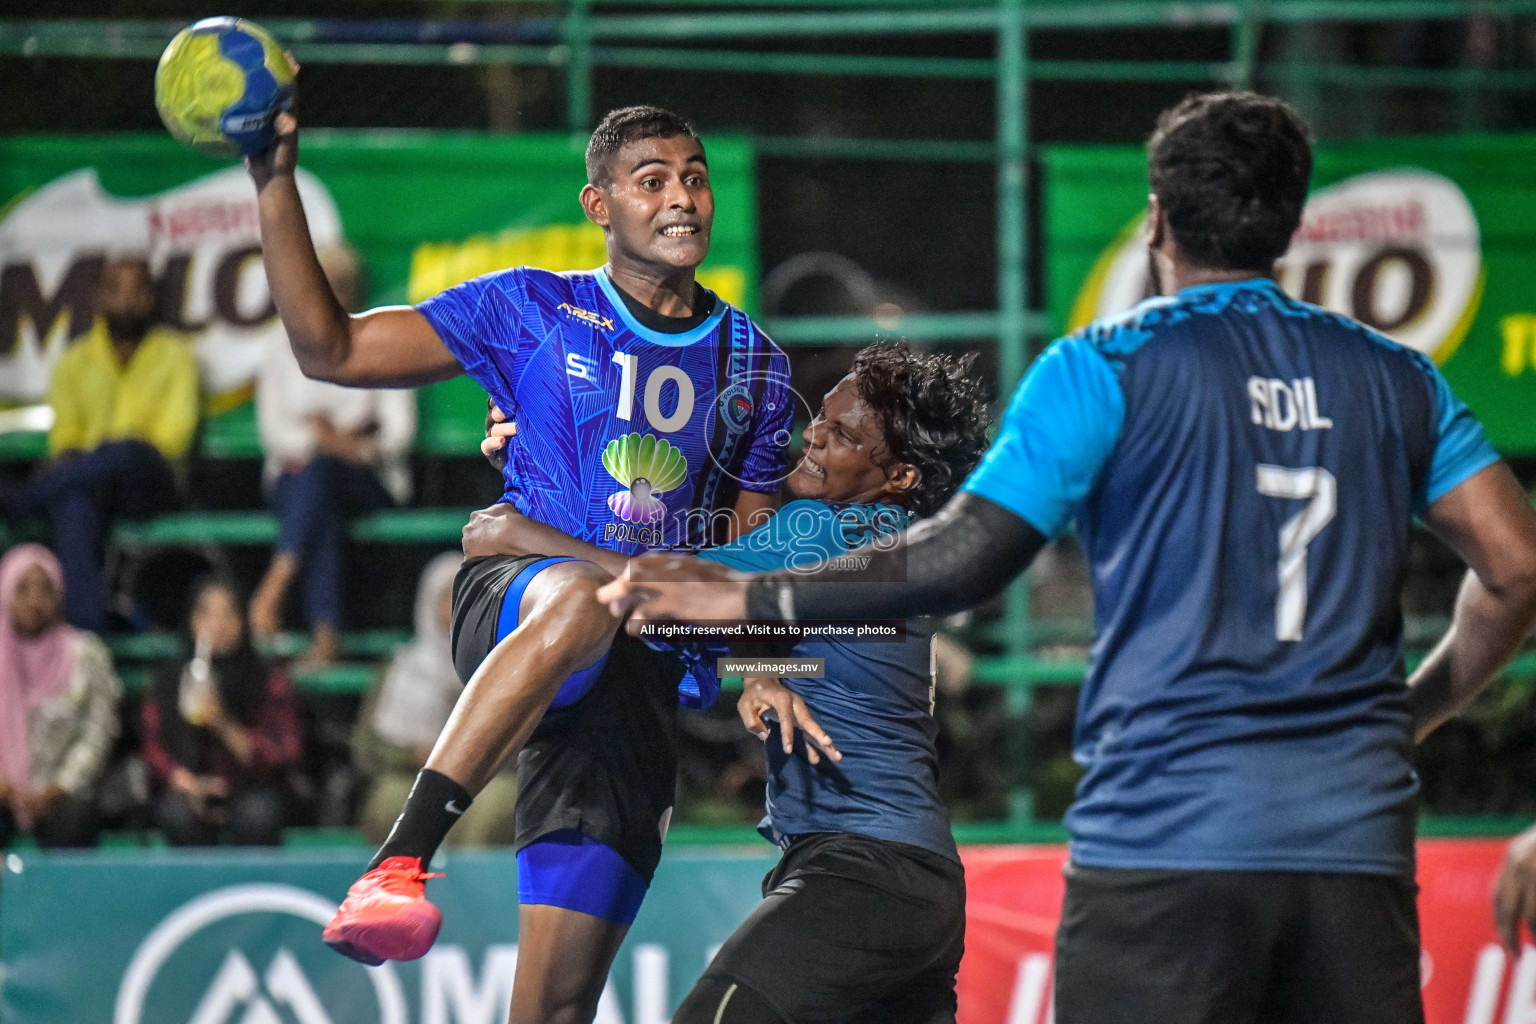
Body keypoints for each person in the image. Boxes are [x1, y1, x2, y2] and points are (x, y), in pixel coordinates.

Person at [599, 92, 1536, 1024]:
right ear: (1292, 224)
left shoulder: (1105, 367)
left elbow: (963, 555)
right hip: (1354, 841)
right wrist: (1408, 714)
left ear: (1157, 220)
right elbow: (1516, 569)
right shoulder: (1395, 376)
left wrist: (757, 604)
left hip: (1164, 837)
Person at [246, 99, 791, 1022]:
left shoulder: (756, 368)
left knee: (553, 1007)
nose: (683, 199)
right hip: (518, 604)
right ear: (598, 205)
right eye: (651, 180)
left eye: (694, 177)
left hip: (634, 678)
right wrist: (271, 182)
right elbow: (328, 349)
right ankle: (397, 863)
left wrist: (765, 672)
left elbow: (749, 564)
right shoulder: (530, 308)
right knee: (580, 598)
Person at [665, 344, 990, 1024]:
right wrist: (762, 668)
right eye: (822, 418)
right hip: (915, 879)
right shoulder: (899, 542)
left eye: (843, 436)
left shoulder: (820, 530)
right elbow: (828, 653)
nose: (812, 435)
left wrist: (519, 520)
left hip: (862, 872)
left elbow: (659, 586)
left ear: (898, 473)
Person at [0, 255, 199, 630]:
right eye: (116, 289)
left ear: (151, 297)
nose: (127, 299)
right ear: (99, 297)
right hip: (91, 487)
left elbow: (172, 441)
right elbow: (66, 440)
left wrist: (103, 456)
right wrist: (94, 463)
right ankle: (86, 638)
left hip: (151, 485)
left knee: (125, 452)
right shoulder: (74, 362)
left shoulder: (177, 356)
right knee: (73, 507)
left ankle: (23, 500)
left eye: (138, 289)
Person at [251, 244, 416, 665]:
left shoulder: (383, 334)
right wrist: (332, 443)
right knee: (318, 491)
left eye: (342, 283)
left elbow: (399, 433)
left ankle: (277, 581)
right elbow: (274, 433)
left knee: (319, 479)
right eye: (325, 281)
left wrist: (344, 445)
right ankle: (325, 634)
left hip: (368, 480)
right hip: (300, 479)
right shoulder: (279, 342)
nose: (333, 291)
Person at [352, 551, 517, 847]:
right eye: (449, 599)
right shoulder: (400, 669)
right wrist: (413, 756)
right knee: (389, 797)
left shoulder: (507, 666)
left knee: (499, 800)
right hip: (414, 776)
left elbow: (525, 747)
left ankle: (471, 889)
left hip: (482, 783)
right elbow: (367, 750)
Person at [142, 576, 302, 846]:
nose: (217, 625)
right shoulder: (169, 678)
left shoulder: (266, 677)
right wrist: (184, 781)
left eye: (229, 613)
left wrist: (221, 721)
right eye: (206, 613)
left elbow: (283, 751)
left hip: (250, 788)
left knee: (257, 816)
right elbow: (153, 746)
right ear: (191, 621)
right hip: (189, 786)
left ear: (242, 622)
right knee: (177, 815)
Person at [0, 544, 121, 848]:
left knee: (76, 817)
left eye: (45, 590)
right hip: (3, 793)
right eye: (23, 590)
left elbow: (97, 732)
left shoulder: (86, 654)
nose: (34, 602)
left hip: (62, 794)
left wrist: (57, 789)